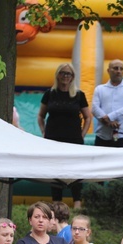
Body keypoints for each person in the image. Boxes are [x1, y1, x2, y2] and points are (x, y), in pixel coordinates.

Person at [38, 63, 91, 208]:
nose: (65, 76)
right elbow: (41, 116)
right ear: (57, 74)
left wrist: (82, 134)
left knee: (76, 169)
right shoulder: (49, 94)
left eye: (68, 74)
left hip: (73, 138)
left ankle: (77, 203)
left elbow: (88, 117)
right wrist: (44, 132)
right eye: (63, 73)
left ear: (73, 77)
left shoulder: (79, 95)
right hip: (53, 138)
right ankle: (56, 203)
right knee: (55, 168)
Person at [91, 59, 123, 148]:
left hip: (121, 136)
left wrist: (109, 117)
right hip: (102, 136)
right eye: (116, 68)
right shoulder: (100, 89)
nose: (119, 71)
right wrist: (107, 121)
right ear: (108, 71)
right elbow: (94, 108)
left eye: (121, 69)